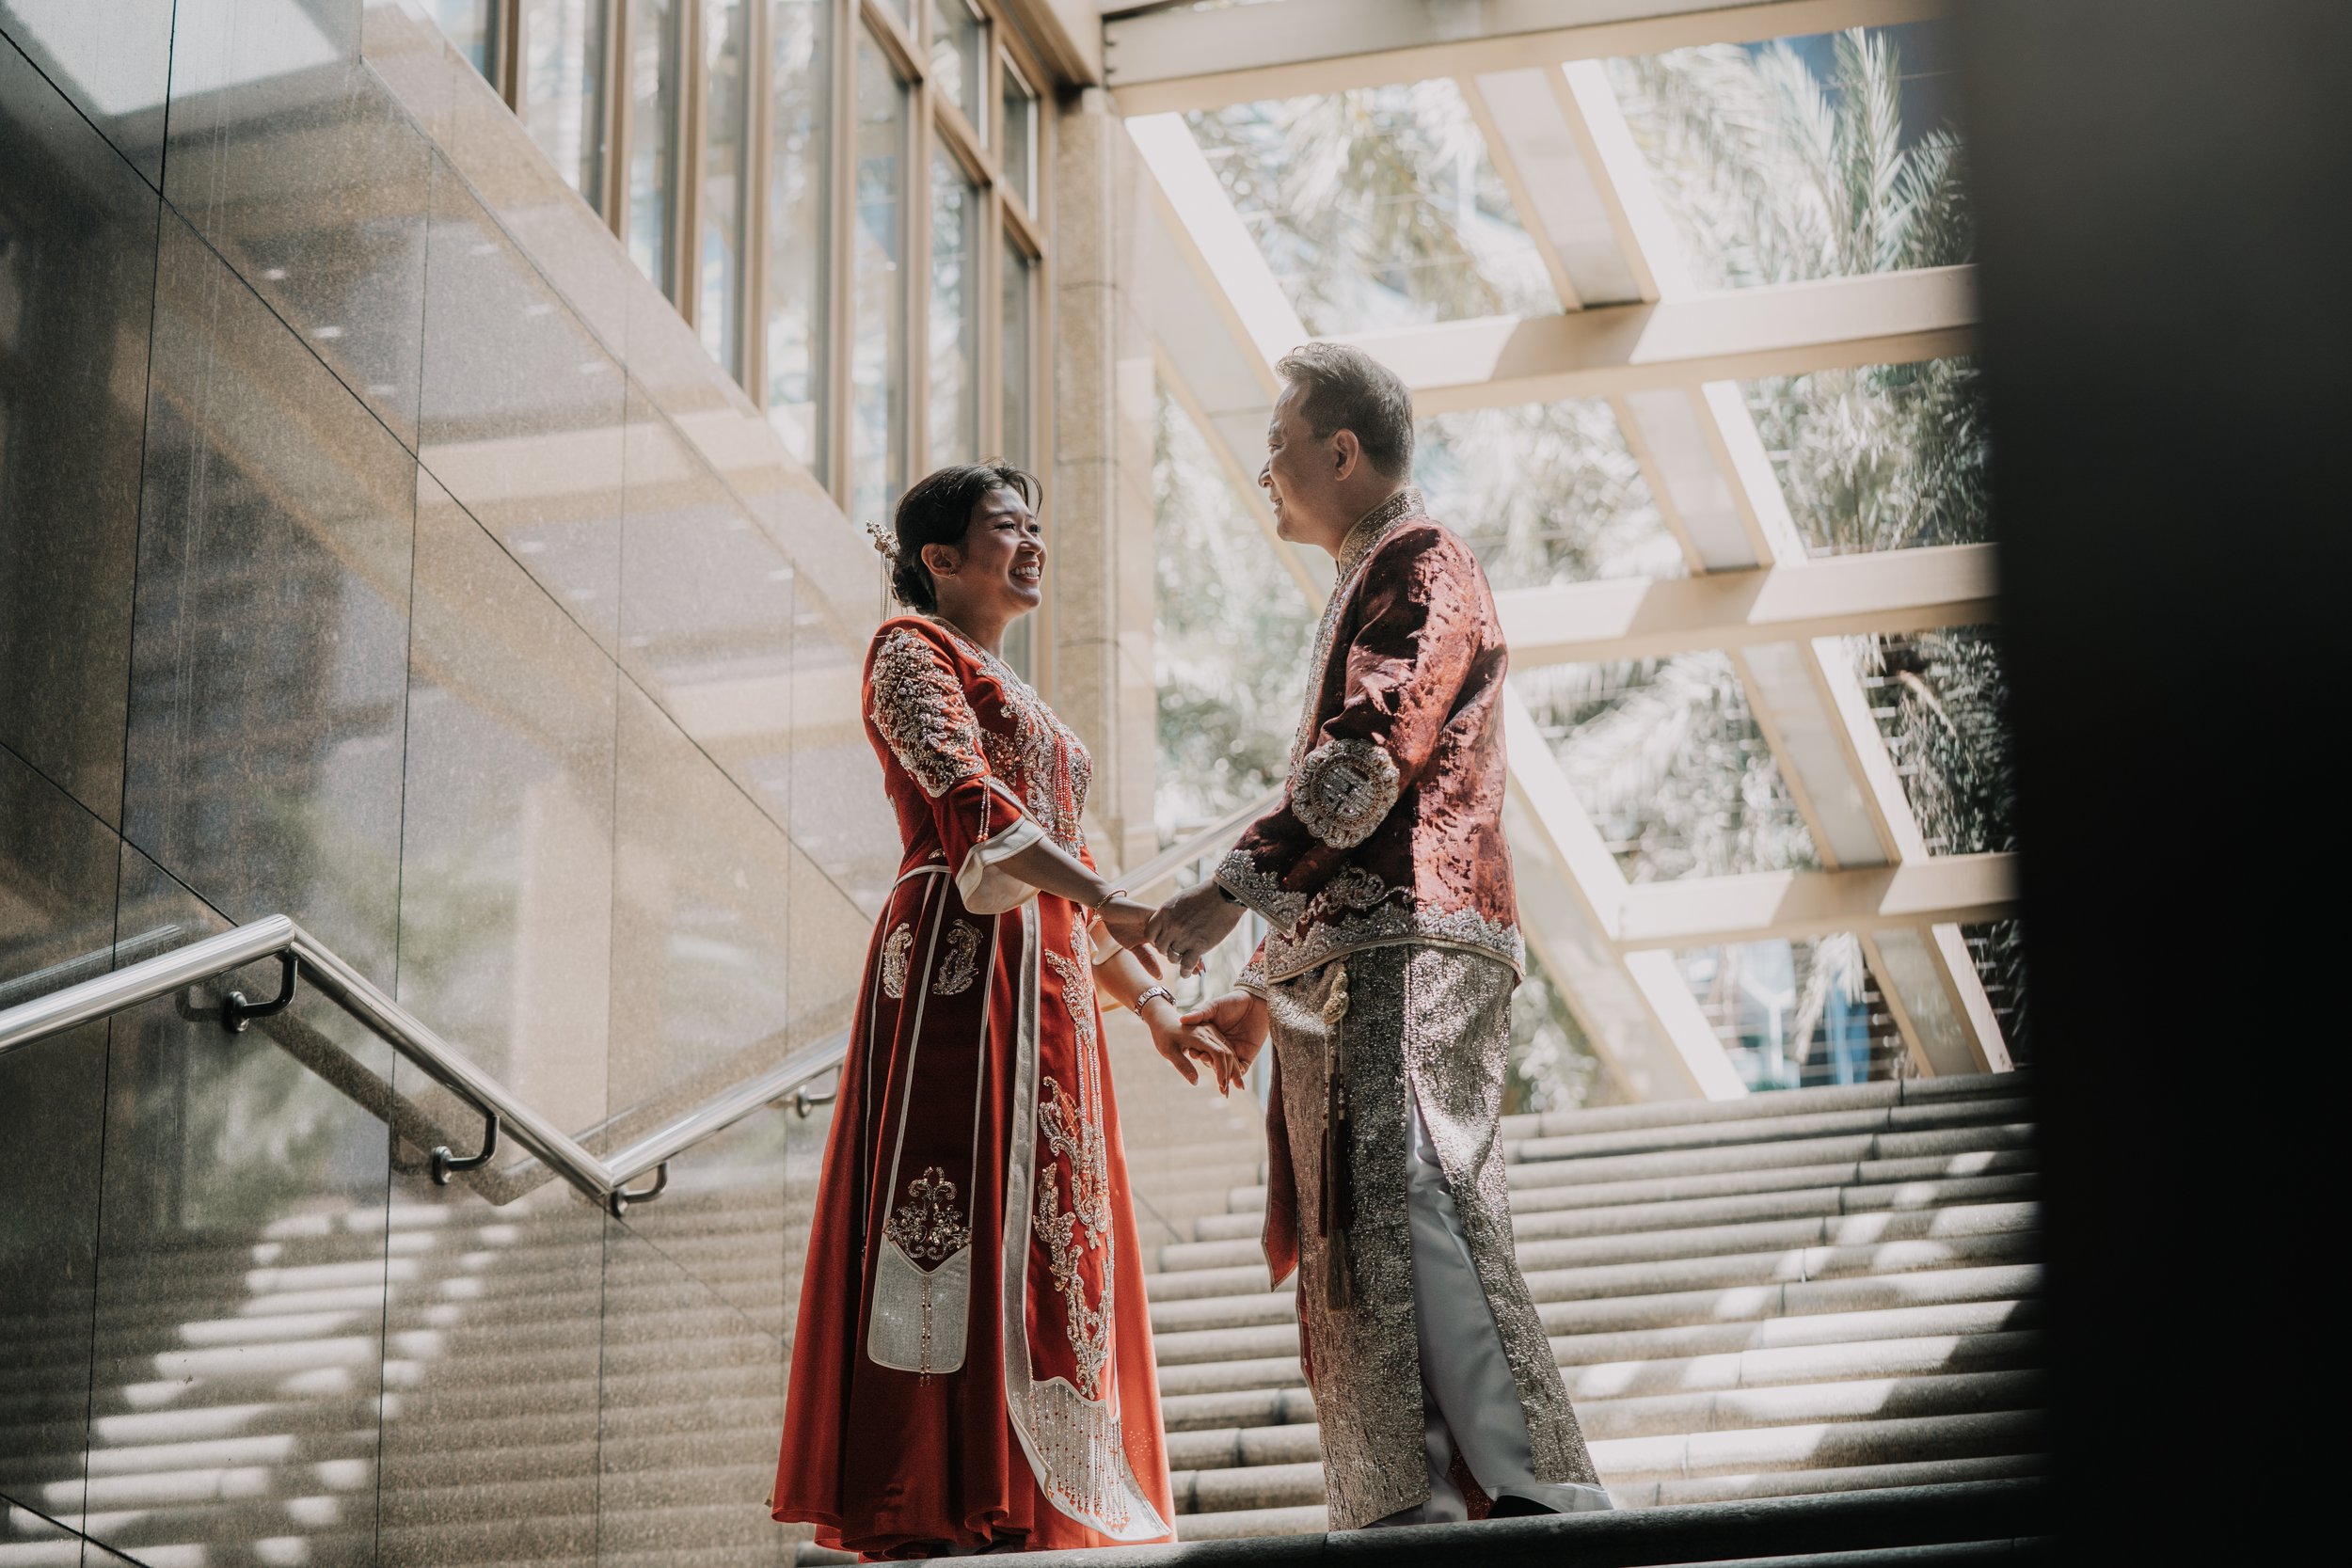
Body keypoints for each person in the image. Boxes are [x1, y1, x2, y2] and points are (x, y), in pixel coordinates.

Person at [1149, 344, 1613, 1530]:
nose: (1264, 471)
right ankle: (1409, 1501)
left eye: (1278, 445)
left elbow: (1364, 762)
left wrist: (1227, 891)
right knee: (1358, 1223)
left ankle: (1533, 1482)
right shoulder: (1376, 574)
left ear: (1341, 452)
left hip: (1415, 940)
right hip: (1354, 958)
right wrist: (1264, 985)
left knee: (1417, 1182)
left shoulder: (1421, 563)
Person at [771, 464, 1242, 1558]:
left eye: (1038, 527)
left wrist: (1158, 1011)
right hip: (956, 965)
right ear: (939, 557)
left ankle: (1033, 1484)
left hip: (1045, 978)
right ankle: (940, 1479)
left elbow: (1064, 873)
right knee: (960, 1203)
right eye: (1005, 528)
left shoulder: (1007, 682)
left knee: (1051, 1225)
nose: (1031, 544)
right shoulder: (910, 648)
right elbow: (974, 813)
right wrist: (1112, 899)